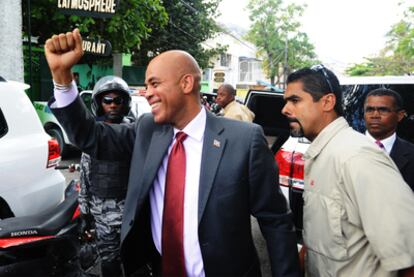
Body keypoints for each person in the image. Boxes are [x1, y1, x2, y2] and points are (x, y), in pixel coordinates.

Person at [45, 29, 299, 277]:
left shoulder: (244, 140)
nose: (148, 93)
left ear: (186, 83)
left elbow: (276, 220)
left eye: (154, 83)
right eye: (146, 85)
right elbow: (90, 136)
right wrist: (61, 77)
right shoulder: (147, 130)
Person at [281, 64, 414, 277]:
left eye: (295, 100)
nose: (285, 109)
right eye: (286, 101)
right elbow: (320, 240)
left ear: (327, 102)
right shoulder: (323, 154)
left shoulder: (357, 157)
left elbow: (408, 257)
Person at [78, 75, 133, 276]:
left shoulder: (134, 133)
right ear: (99, 104)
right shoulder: (94, 136)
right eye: (107, 100)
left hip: (131, 213)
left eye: (118, 100)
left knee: (134, 260)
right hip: (102, 215)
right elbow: (85, 175)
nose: (112, 105)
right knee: (109, 261)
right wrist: (84, 213)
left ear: (125, 103)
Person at [364, 88, 414, 191]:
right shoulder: (345, 150)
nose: (375, 115)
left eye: (383, 110)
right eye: (369, 110)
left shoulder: (411, 154)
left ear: (400, 115)